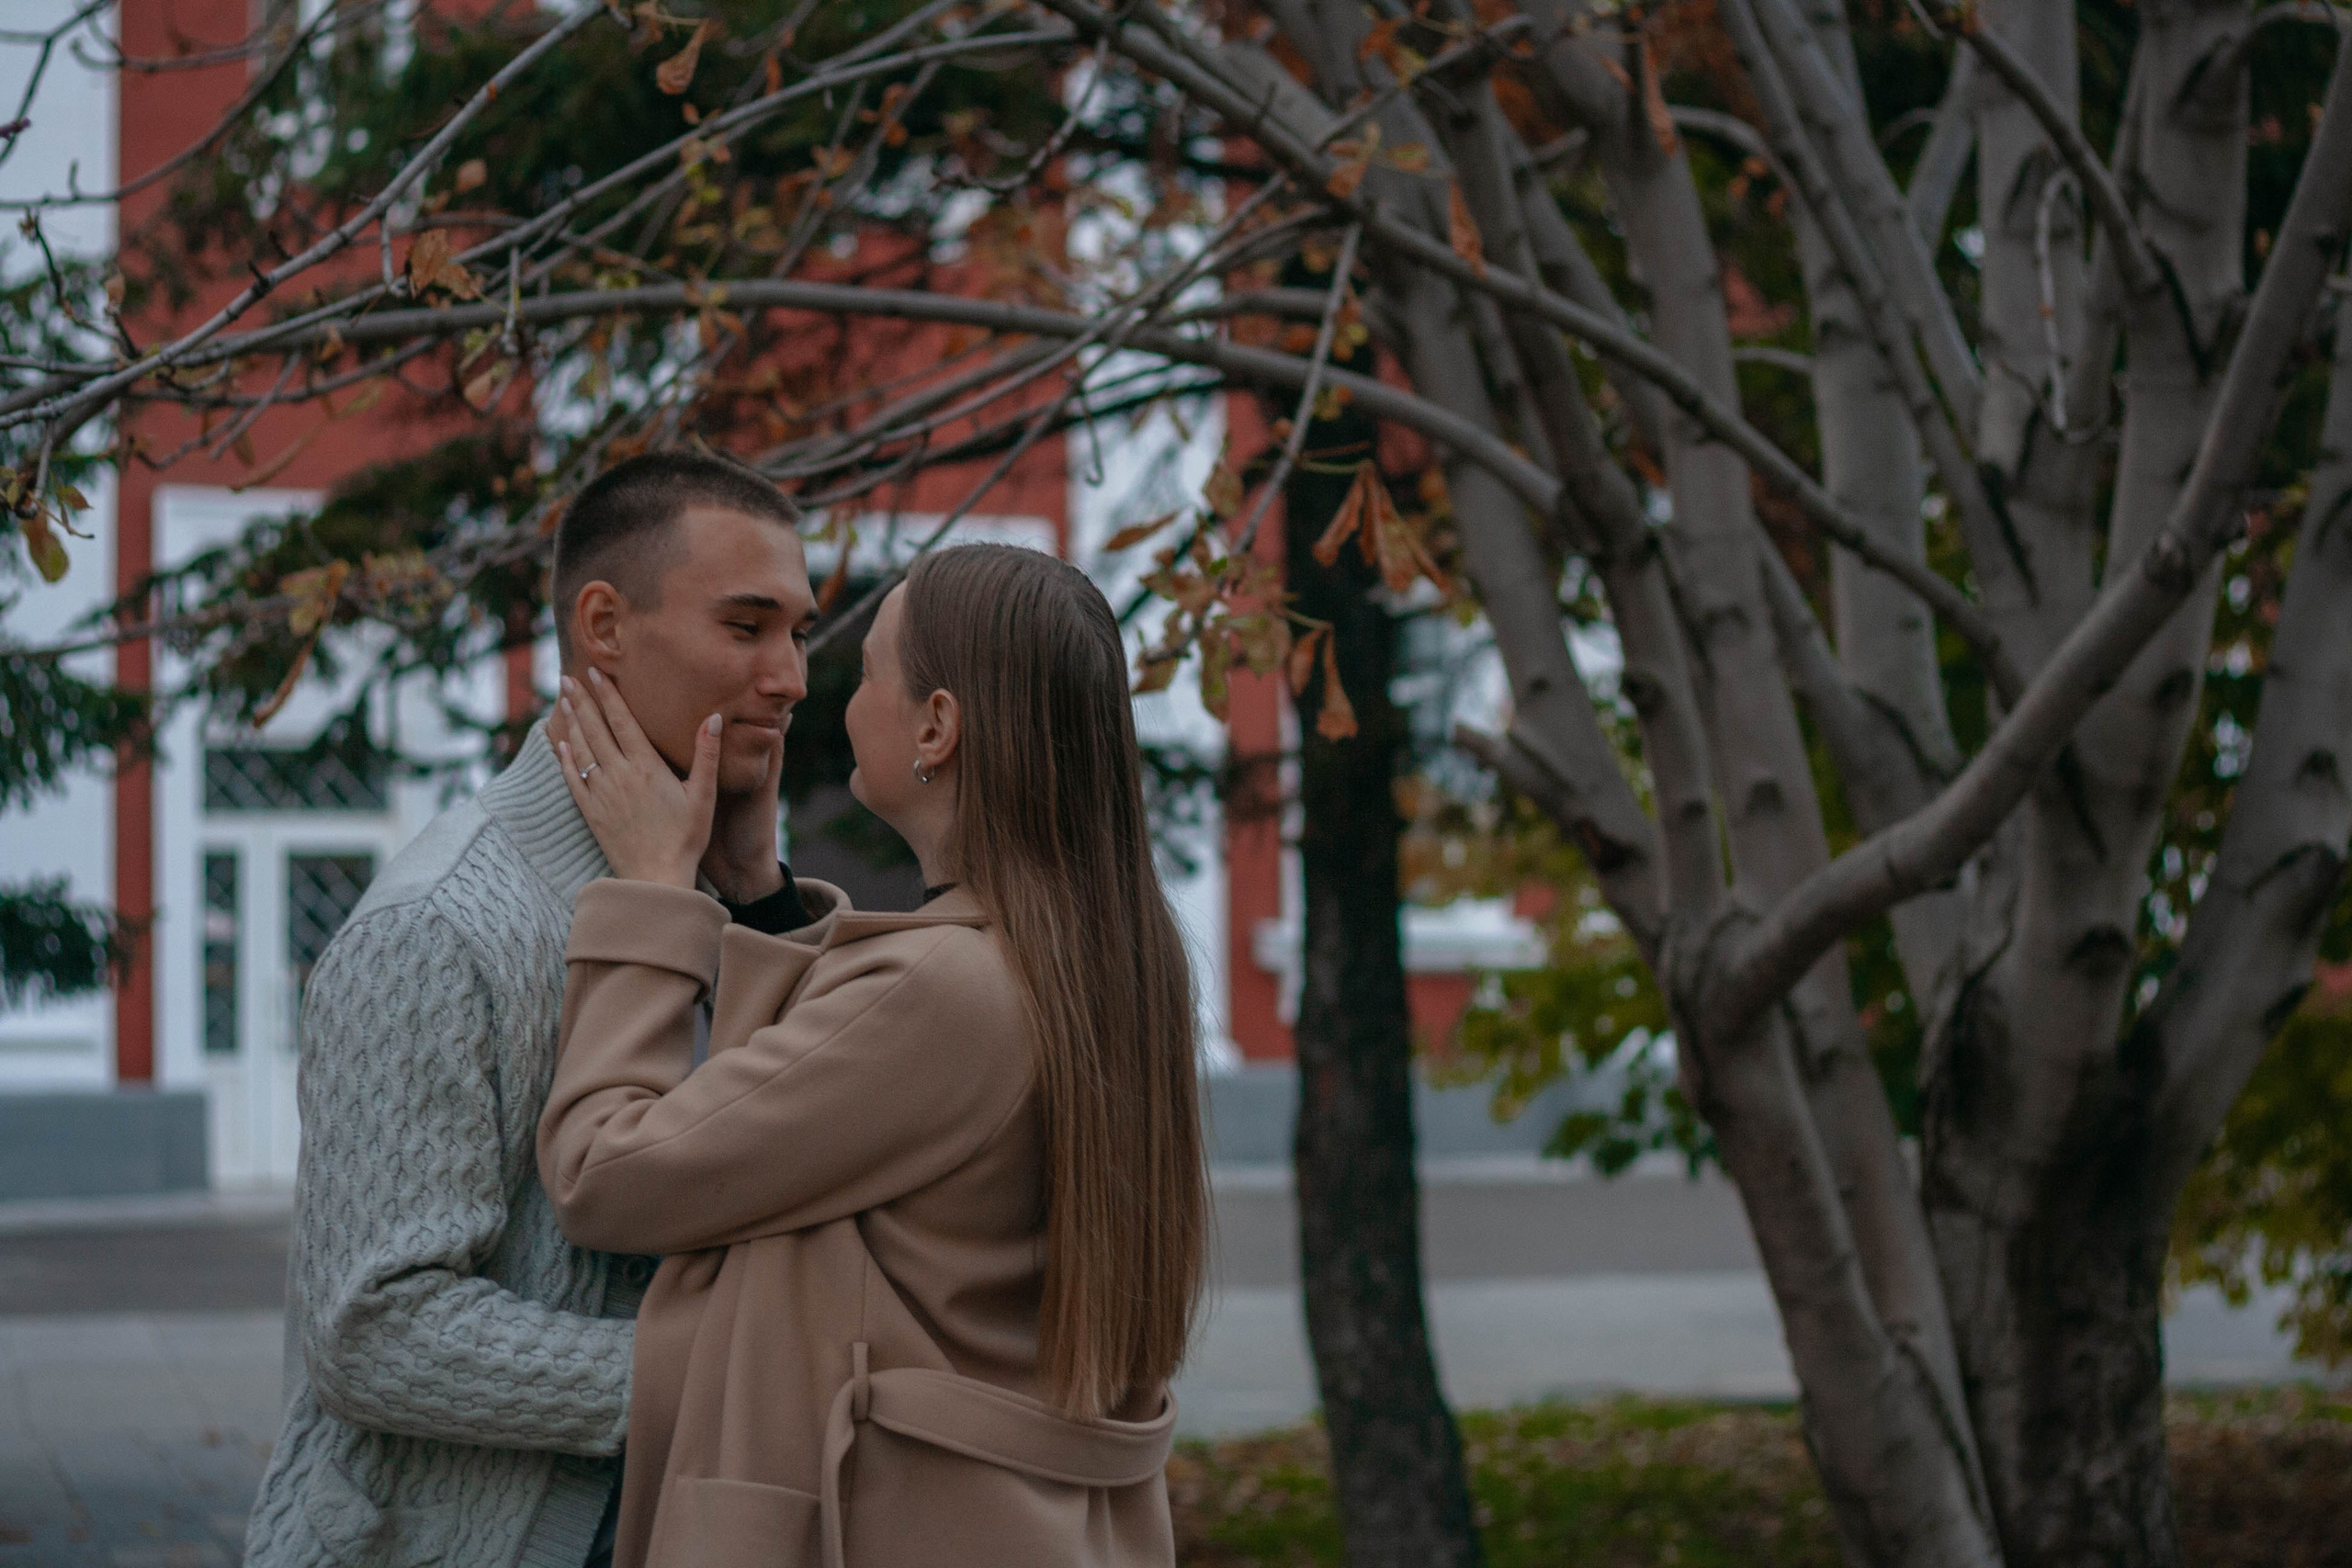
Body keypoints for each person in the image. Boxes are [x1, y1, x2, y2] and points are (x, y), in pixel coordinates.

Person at [537, 543, 1209, 1567]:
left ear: (937, 725)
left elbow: (607, 1174)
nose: (822, 694)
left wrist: (653, 898)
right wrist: (757, 889)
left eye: (868, 672)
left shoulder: (944, 990)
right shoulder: (1107, 958)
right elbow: (811, 1141)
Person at [243, 451, 835, 1568]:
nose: (791, 676)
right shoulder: (438, 927)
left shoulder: (720, 887)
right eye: (747, 626)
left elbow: (799, 1155)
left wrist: (756, 891)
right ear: (604, 626)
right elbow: (371, 1331)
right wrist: (722, 1378)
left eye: (799, 633)